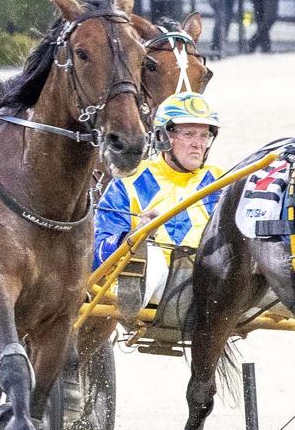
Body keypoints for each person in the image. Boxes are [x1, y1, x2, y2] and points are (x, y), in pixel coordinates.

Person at [93, 92, 223, 307]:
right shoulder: (129, 181)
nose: (197, 144)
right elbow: (97, 250)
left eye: (204, 136)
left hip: (211, 281)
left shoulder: (222, 181)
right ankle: (133, 296)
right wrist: (136, 236)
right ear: (163, 137)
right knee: (150, 254)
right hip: (156, 284)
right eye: (189, 134)